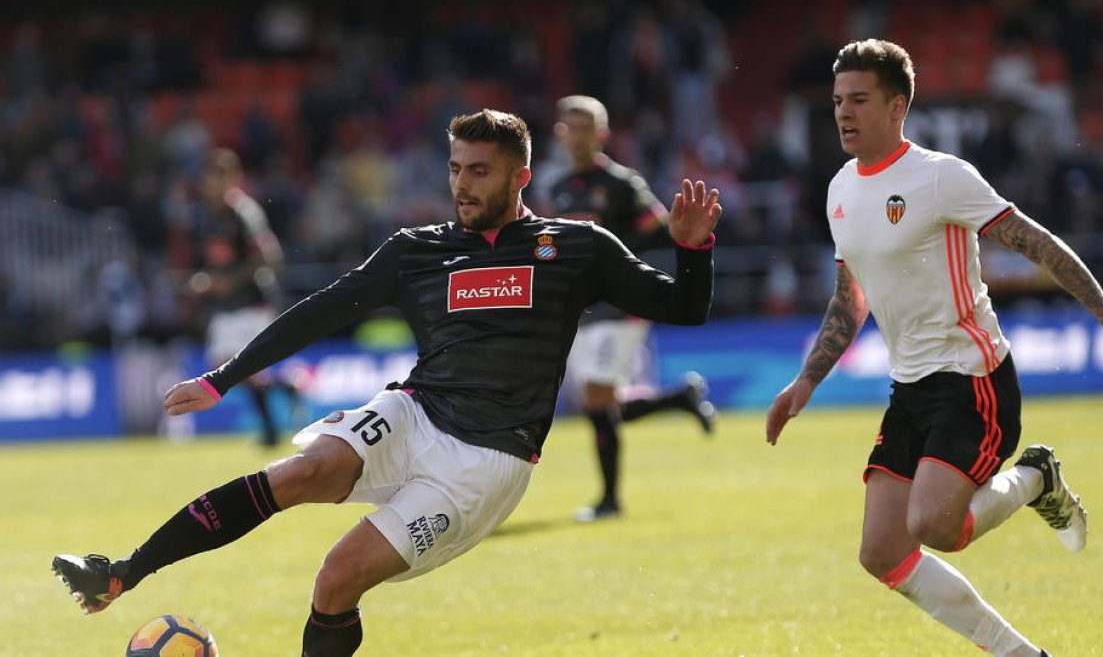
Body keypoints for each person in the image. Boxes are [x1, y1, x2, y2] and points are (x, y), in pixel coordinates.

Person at [51, 109, 722, 657]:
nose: (462, 184)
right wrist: (224, 379)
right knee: (302, 471)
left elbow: (684, 308)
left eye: (479, 172)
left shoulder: (576, 247)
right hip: (414, 408)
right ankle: (121, 572)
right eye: (456, 168)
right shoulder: (416, 250)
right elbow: (320, 309)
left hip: (487, 459)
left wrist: (693, 251)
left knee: (337, 578)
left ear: (520, 176)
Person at [765, 40, 1103, 657]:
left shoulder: (941, 177)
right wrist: (806, 382)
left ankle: (1036, 478)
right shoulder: (840, 190)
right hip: (909, 387)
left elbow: (1038, 244)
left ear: (897, 105)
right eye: (836, 101)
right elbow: (849, 298)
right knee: (880, 553)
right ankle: (1021, 654)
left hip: (973, 377)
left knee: (935, 527)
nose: (843, 113)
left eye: (859, 99)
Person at [548, 94, 717, 522]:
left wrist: (632, 274)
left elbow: (663, 231)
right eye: (571, 127)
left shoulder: (623, 184)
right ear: (560, 134)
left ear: (602, 135)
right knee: (598, 404)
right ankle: (680, 398)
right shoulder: (559, 190)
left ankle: (609, 500)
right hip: (584, 310)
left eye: (587, 127)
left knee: (597, 397)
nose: (579, 136)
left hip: (621, 306)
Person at [186, 147, 300, 446]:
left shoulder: (243, 211)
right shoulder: (207, 216)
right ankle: (287, 389)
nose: (214, 184)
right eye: (210, 177)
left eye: (221, 177)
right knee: (227, 368)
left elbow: (270, 255)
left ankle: (270, 429)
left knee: (231, 367)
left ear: (235, 178)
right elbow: (220, 261)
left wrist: (228, 281)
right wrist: (207, 281)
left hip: (252, 301)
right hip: (227, 306)